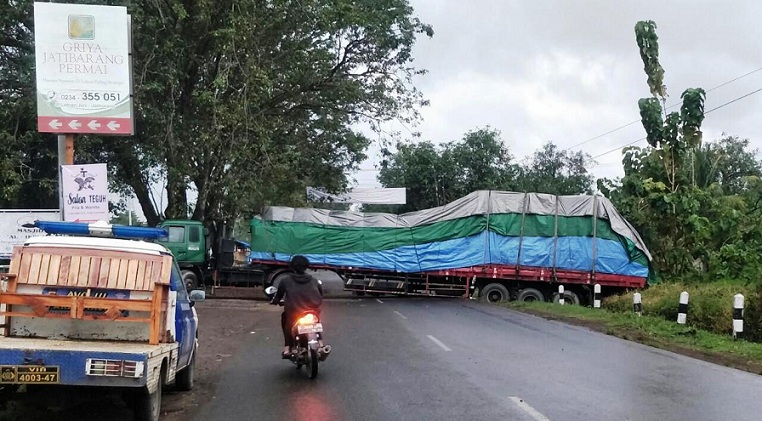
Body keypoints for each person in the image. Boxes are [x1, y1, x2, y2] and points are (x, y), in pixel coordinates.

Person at [270, 255, 325, 358]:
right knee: (316, 323)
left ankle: (288, 348)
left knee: (287, 321)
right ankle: (321, 344)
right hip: (312, 311)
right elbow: (320, 294)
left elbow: (278, 296)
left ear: (292, 266)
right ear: (306, 266)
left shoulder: (285, 281)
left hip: (295, 313)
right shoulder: (313, 280)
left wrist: (275, 301)